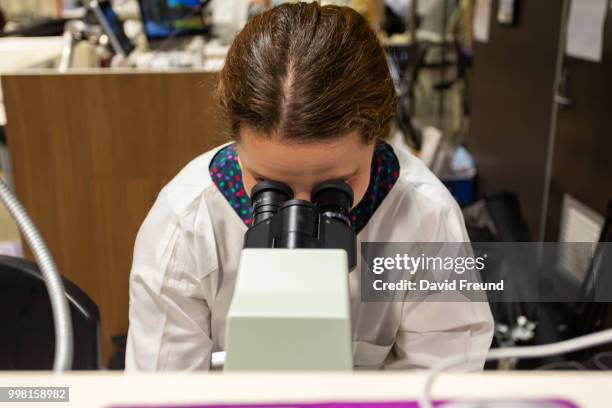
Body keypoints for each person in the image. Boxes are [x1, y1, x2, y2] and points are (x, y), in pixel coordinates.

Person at [125, 2, 493, 371]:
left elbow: (443, 380)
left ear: (378, 137)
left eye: (336, 186)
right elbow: (164, 389)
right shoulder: (185, 223)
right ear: (236, 142)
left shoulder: (424, 215)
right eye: (269, 185)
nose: (301, 212)